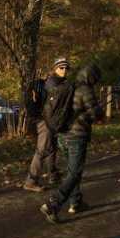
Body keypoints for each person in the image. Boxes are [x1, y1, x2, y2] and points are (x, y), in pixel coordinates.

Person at [40, 64, 104, 223]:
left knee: (72, 170)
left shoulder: (68, 87)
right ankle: (53, 203)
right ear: (91, 77)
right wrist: (99, 110)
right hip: (77, 136)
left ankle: (75, 203)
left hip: (62, 135)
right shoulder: (85, 90)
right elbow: (95, 114)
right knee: (75, 172)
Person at [24, 57, 70, 192]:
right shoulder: (53, 83)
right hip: (45, 121)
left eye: (66, 68)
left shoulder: (59, 82)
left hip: (51, 121)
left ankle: (53, 175)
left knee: (52, 147)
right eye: (61, 67)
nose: (64, 70)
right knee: (42, 150)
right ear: (55, 69)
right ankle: (30, 181)